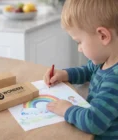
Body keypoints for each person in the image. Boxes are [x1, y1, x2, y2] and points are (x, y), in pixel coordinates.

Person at [43, 0, 118, 139]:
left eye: (79, 42)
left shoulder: (114, 81)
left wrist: (67, 109)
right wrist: (65, 74)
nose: (79, 49)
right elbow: (87, 71)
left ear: (103, 36)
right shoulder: (105, 60)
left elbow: (94, 122)